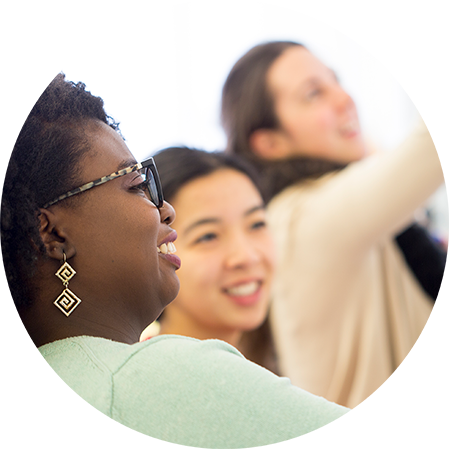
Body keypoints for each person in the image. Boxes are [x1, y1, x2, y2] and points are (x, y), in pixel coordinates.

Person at [0, 74, 351, 447]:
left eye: (257, 223)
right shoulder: (162, 377)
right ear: (52, 234)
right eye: (137, 184)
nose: (165, 209)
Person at [221, 41, 449, 449]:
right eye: (314, 93)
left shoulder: (343, 209)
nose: (345, 99)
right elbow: (436, 144)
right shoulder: (301, 218)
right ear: (270, 142)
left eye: (336, 82)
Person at [141, 147, 278, 373]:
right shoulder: (155, 380)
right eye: (208, 236)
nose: (247, 257)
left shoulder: (260, 367)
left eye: (257, 224)